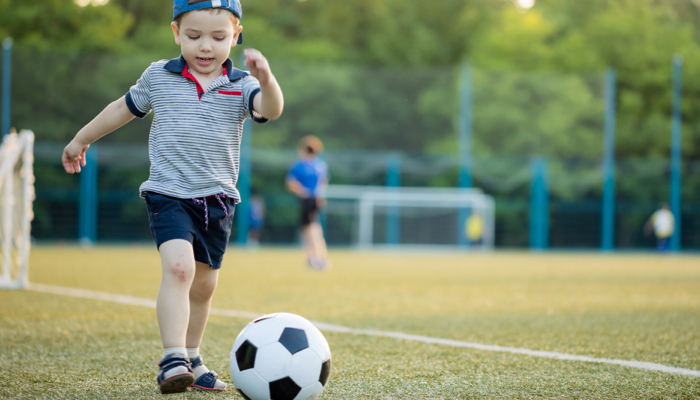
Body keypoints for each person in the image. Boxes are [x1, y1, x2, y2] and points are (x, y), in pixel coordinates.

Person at [61, 0, 283, 393]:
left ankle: (193, 358)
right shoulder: (159, 76)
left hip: (218, 200)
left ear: (236, 36)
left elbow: (271, 109)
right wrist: (81, 139)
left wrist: (266, 79)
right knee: (179, 269)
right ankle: (172, 357)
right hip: (169, 193)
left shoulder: (242, 84)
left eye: (218, 37)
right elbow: (121, 109)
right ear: (177, 33)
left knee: (203, 286)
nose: (205, 47)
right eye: (194, 36)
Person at [286, 136, 330, 269]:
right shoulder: (321, 165)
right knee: (313, 227)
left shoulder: (300, 165)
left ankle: (316, 258)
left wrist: (302, 191)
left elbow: (290, 183)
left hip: (307, 200)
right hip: (317, 199)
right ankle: (317, 256)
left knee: (309, 228)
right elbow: (323, 182)